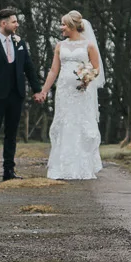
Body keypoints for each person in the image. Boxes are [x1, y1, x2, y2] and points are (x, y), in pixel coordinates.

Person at [38, 10, 104, 180]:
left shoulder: (88, 45)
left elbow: (96, 69)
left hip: (82, 92)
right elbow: (54, 70)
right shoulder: (60, 45)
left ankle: (82, 166)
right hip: (64, 92)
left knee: (80, 124)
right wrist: (44, 90)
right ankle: (63, 166)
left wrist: (87, 79)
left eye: (64, 24)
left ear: (73, 26)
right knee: (65, 123)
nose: (61, 27)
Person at [0, 6, 37, 182]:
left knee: (12, 134)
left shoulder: (20, 43)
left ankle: (8, 171)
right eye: (14, 21)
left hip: (16, 95)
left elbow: (29, 68)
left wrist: (37, 90)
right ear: (4, 23)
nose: (17, 24)